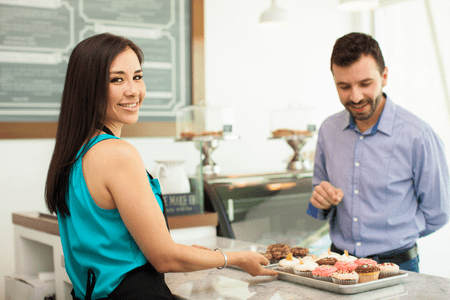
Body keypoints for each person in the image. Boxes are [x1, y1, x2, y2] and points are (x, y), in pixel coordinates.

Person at [45, 33, 277, 300]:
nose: (133, 90)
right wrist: (235, 258)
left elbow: (116, 247)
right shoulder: (117, 154)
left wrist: (199, 255)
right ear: (88, 87)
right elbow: (164, 258)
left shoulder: (74, 153)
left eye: (138, 76)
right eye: (117, 79)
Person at [307, 32, 450, 272]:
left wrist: (396, 237)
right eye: (344, 86)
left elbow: (439, 213)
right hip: (340, 265)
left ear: (384, 76)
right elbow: (317, 207)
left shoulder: (418, 135)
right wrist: (321, 203)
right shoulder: (328, 130)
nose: (355, 96)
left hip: (398, 266)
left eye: (365, 84)